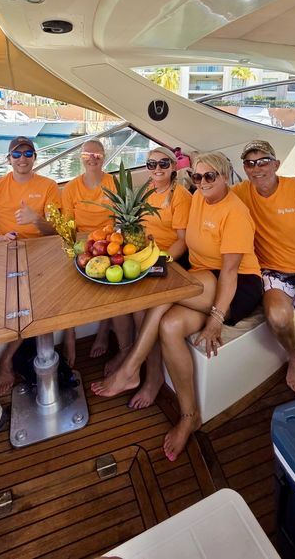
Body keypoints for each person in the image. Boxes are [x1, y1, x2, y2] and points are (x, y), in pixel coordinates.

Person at [92, 152, 262, 461]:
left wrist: (216, 318)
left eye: (210, 176)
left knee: (160, 295)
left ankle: (131, 367)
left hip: (237, 284)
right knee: (169, 325)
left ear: (224, 176)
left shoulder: (234, 212)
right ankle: (189, 416)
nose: (203, 182)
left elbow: (229, 271)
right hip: (201, 276)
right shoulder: (196, 197)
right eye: (197, 177)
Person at [0, 136, 61, 394]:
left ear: (35, 157)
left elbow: (56, 231)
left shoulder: (49, 186)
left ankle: (7, 360)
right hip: (3, 253)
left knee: (32, 304)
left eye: (28, 153)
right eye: (17, 154)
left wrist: (36, 220)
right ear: (8, 159)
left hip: (39, 254)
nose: (23, 158)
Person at [233, 139, 295, 399]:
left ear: (276, 164)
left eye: (263, 161)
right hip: (273, 271)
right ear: (245, 168)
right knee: (278, 317)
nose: (257, 168)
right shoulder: (240, 193)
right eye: (250, 163)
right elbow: (210, 197)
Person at [127, 146, 192, 409]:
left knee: (143, 310)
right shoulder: (147, 192)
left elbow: (182, 241)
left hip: (171, 261)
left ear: (174, 166)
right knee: (123, 300)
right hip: (145, 257)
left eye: (163, 163)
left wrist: (159, 263)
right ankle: (131, 358)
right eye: (152, 164)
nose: (157, 169)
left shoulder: (180, 196)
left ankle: (153, 378)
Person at [62, 139, 130, 366]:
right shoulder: (71, 187)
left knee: (111, 287)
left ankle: (103, 330)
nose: (92, 158)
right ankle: (70, 336)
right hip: (82, 244)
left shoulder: (113, 183)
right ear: (80, 158)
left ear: (104, 156)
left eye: (98, 155)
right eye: (87, 155)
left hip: (110, 242)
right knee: (67, 284)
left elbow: (121, 219)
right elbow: (67, 225)